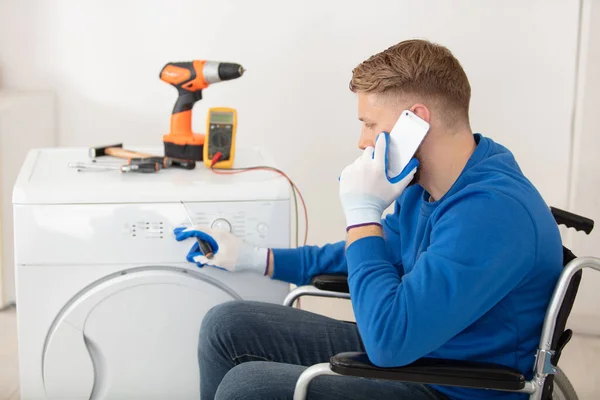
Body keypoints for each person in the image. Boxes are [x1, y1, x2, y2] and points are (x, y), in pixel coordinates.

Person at [175, 39, 563, 400]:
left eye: (370, 123)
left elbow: (388, 342)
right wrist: (258, 258)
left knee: (249, 387)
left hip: (451, 383)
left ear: (417, 121)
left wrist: (363, 214)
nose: (363, 141)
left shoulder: (490, 214)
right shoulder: (430, 185)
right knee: (225, 326)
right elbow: (374, 252)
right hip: (420, 348)